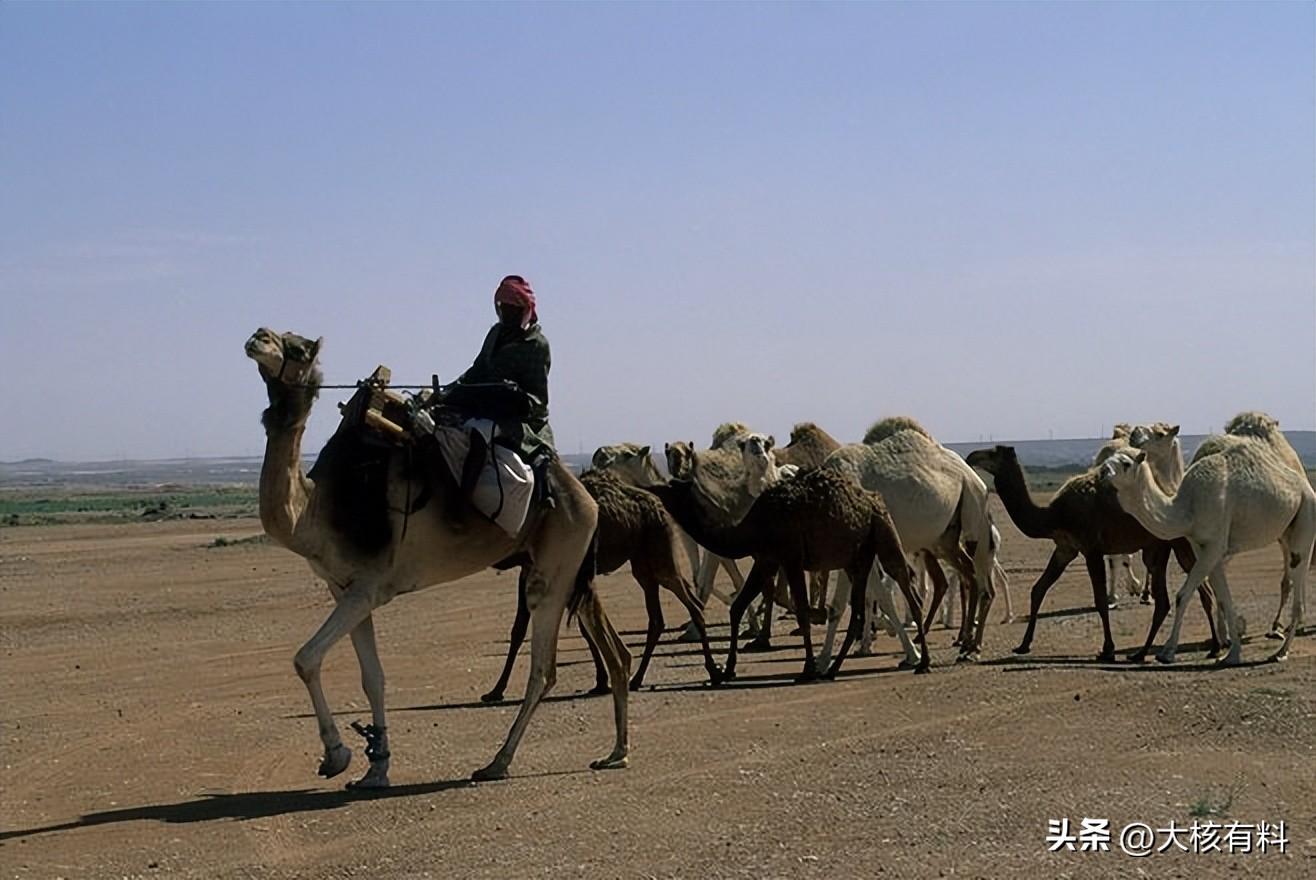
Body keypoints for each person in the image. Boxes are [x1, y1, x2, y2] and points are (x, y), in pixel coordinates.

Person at [422, 275, 555, 529]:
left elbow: (538, 398)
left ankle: (460, 507)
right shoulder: (495, 334)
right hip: (484, 406)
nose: (507, 315)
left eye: (512, 310)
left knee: (479, 433)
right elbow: (475, 372)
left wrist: (513, 395)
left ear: (525, 310)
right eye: (503, 309)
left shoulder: (537, 345)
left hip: (519, 419)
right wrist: (445, 393)